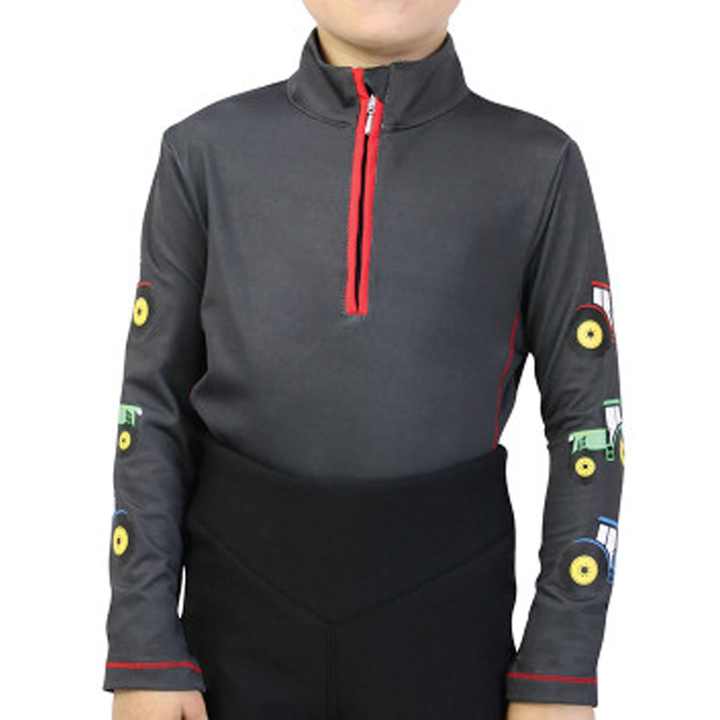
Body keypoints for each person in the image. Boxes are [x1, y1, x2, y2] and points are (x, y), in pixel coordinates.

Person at [105, 1, 624, 718]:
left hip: (450, 637)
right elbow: (152, 408)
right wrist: (144, 648)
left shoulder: (539, 164)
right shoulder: (204, 152)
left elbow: (589, 424)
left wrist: (559, 667)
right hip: (234, 634)